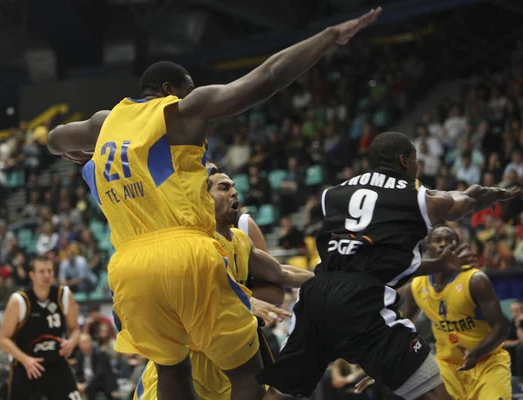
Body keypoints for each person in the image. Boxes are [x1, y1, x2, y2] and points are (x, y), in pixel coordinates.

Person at [46, 7, 382, 399]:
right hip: (184, 250)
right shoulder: (181, 108)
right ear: (172, 88)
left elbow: (55, 138)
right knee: (248, 373)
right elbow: (267, 77)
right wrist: (328, 36)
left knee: (171, 366)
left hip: (127, 266)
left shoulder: (105, 123)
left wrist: (77, 151)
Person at [257, 131, 523, 400]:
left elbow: (372, 257)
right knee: (435, 394)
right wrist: (500, 195)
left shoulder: (332, 194)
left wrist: (437, 264)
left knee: (280, 393)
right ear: (404, 161)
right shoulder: (420, 196)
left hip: (316, 295)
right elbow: (469, 198)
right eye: (416, 160)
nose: (418, 166)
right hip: (361, 301)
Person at [134, 168, 314, 400]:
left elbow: (281, 272)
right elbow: (203, 286)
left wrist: (327, 279)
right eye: (223, 188)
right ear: (203, 197)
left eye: (233, 186)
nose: (234, 192)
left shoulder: (240, 239)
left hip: (227, 363)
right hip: (189, 360)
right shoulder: (195, 242)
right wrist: (247, 301)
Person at [405, 224, 511, 400]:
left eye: (449, 240)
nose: (443, 244)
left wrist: (477, 352)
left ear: (458, 247)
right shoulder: (415, 287)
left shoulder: (475, 280)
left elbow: (502, 328)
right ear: (428, 247)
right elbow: (403, 329)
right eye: (437, 240)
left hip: (487, 361)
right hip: (448, 365)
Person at [0, 255, 81, 400]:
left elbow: (75, 329)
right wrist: (25, 359)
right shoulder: (19, 300)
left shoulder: (64, 295)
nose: (47, 275)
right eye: (42, 271)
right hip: (27, 367)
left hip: (56, 363)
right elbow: (3, 339)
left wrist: (71, 342)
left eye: (49, 271)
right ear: (32, 275)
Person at [75, 333, 117, 400]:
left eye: (84, 342)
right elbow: (78, 372)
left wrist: (86, 385)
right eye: (80, 343)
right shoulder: (79, 355)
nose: (82, 345)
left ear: (90, 342)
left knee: (90, 388)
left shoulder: (100, 353)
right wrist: (77, 383)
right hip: (86, 381)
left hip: (101, 382)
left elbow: (99, 374)